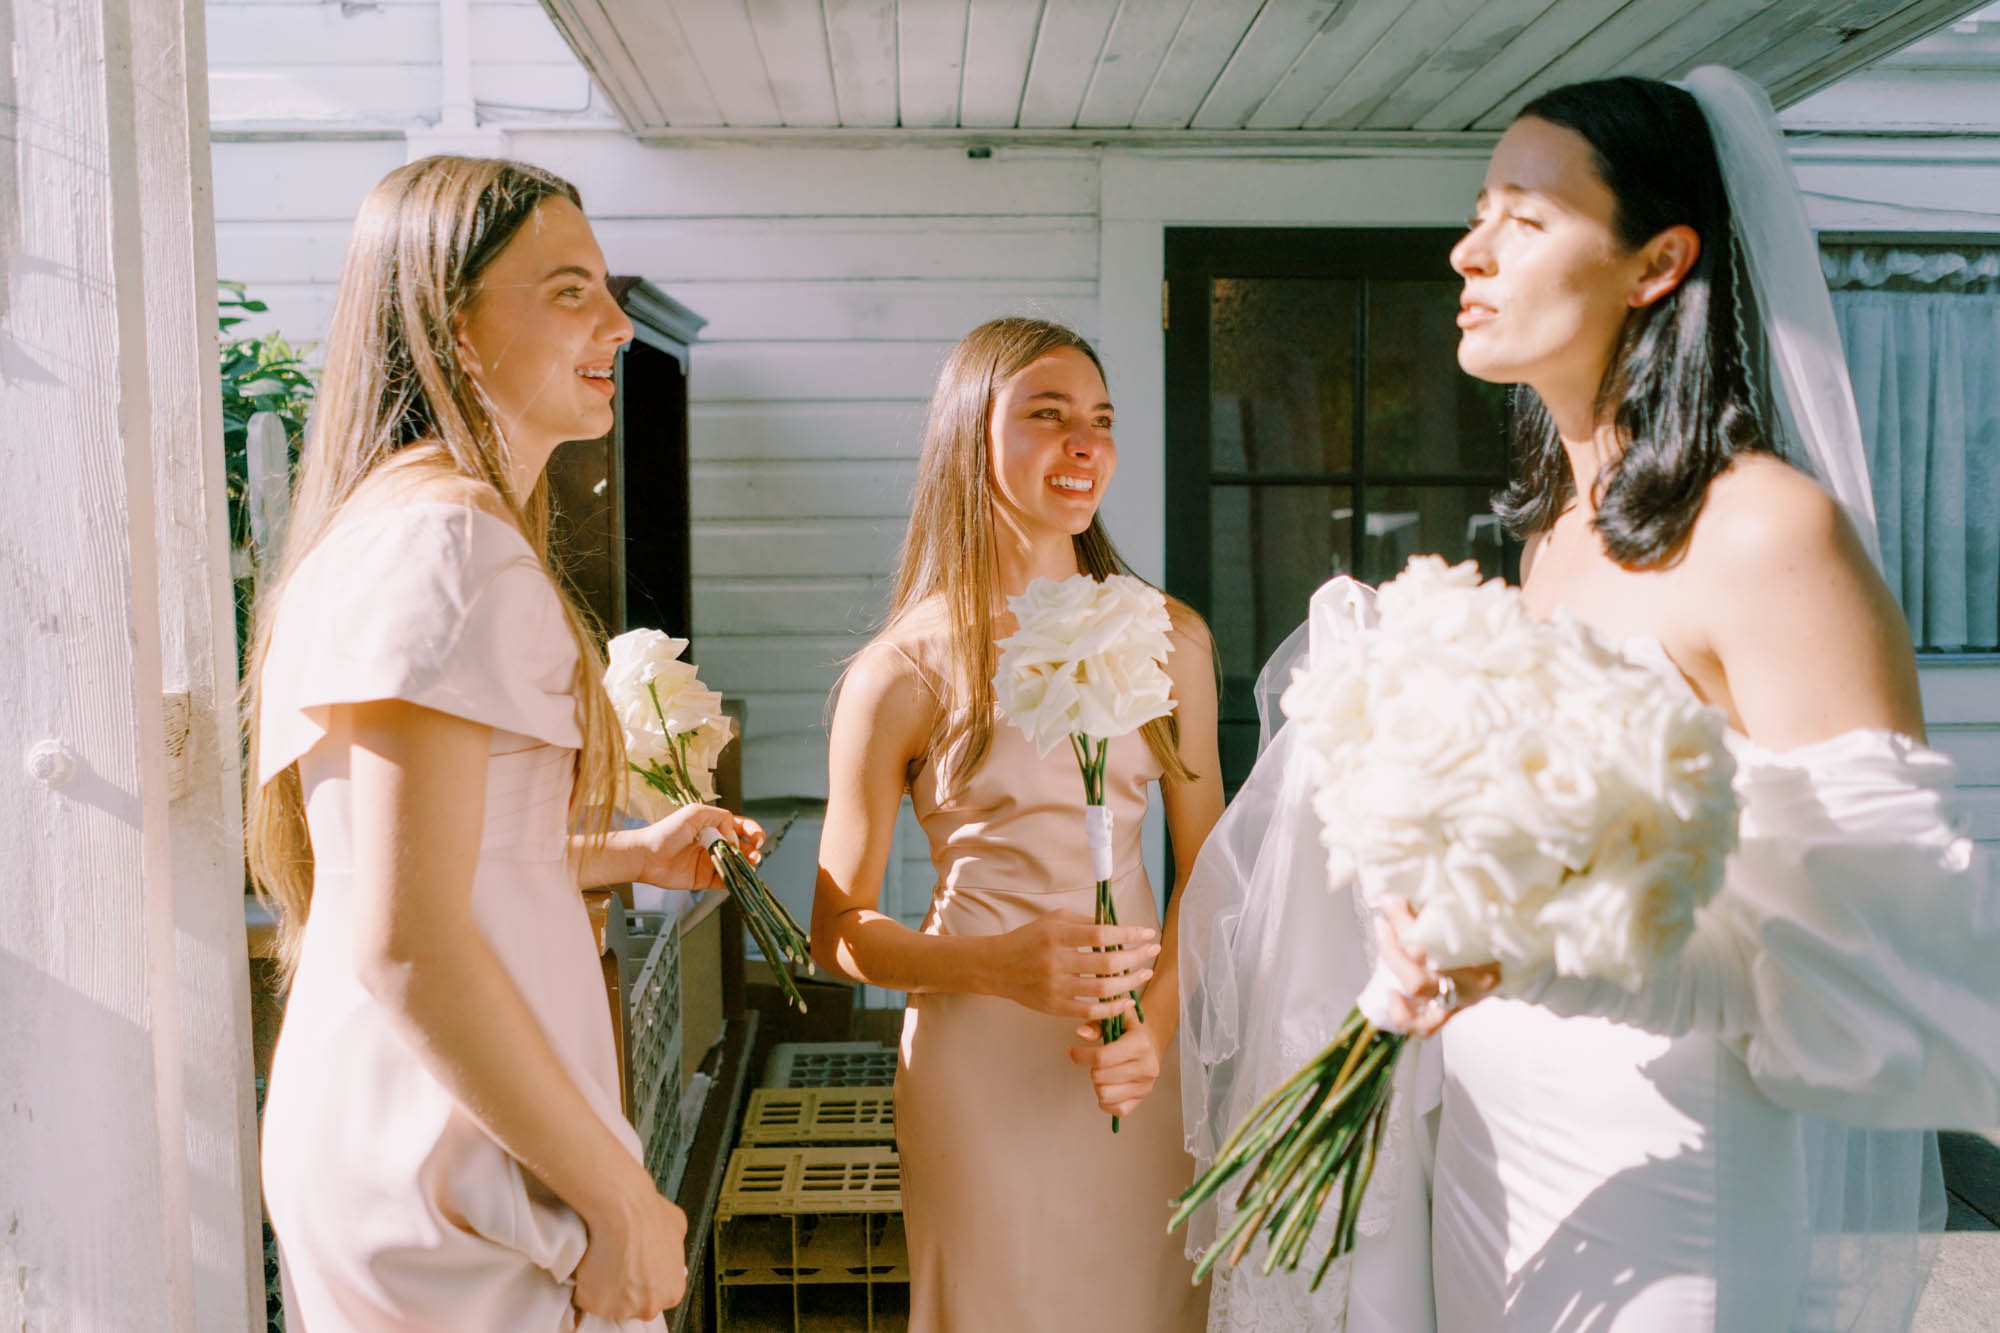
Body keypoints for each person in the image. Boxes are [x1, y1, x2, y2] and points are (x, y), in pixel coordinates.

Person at [1183, 69, 2000, 1332]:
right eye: (1476, 213)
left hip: (1665, 1194)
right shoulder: (1555, 541)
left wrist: (1548, 959)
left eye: (1520, 219)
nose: (1468, 250)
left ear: (1655, 260)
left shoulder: (1768, 535)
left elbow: (1882, 968)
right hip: (1491, 1160)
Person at [246, 155, 761, 1330]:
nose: (620, 325)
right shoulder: (444, 544)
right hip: (448, 1150)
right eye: (569, 290)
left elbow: (419, 870)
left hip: (404, 1126)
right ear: (451, 319)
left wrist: (623, 854)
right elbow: (407, 941)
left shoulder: (391, 527)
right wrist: (623, 1203)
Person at [811, 317, 1219, 1331]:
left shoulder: (1168, 637)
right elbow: (835, 932)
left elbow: (1210, 873)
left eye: (1101, 421)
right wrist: (993, 967)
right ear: (968, 436)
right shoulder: (898, 672)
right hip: (976, 1071)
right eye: (1047, 416)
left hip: (1133, 1059)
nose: (1085, 445)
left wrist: (1154, 1031)